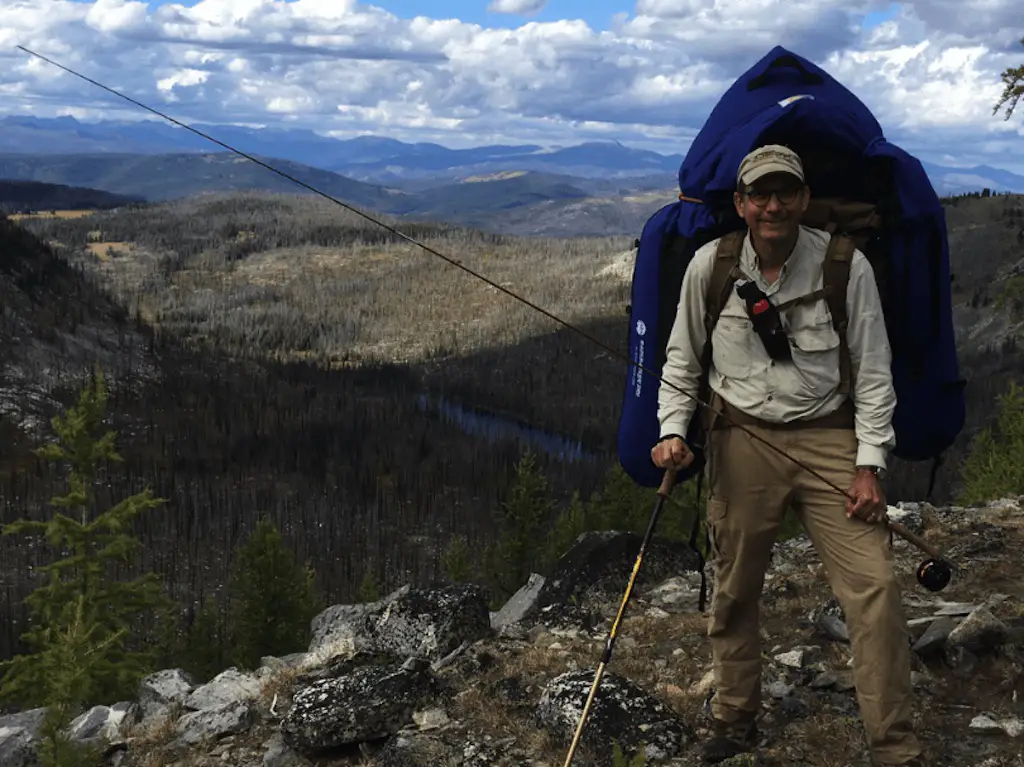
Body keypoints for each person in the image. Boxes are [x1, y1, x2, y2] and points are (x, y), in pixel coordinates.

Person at [650, 144, 926, 766]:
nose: (772, 205)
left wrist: (869, 465)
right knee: (735, 588)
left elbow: (876, 371)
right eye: (760, 194)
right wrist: (673, 430)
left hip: (831, 439)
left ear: (803, 199)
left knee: (875, 587)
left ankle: (895, 747)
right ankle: (733, 718)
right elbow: (681, 360)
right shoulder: (710, 266)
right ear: (742, 203)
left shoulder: (843, 265)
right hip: (739, 437)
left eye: (785, 193)